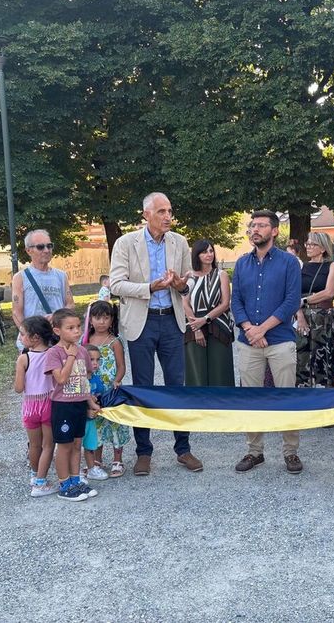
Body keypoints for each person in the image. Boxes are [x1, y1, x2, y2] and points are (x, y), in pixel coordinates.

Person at [109, 192, 202, 476]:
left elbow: (187, 285)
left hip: (171, 322)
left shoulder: (180, 242)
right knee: (143, 387)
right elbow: (116, 284)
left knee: (177, 386)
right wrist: (150, 287)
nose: (167, 217)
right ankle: (143, 451)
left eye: (170, 211)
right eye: (161, 211)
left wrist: (179, 284)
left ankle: (183, 449)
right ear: (146, 214)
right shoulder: (126, 243)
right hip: (141, 322)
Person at [231, 210, 303, 474]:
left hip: (280, 340)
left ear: (274, 231)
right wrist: (250, 329)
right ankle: (254, 451)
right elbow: (236, 301)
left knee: (286, 397)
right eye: (252, 226)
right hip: (249, 341)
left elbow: (291, 301)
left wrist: (262, 330)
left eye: (261, 225)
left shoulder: (288, 263)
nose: (254, 230)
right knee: (251, 398)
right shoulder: (241, 264)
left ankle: (291, 452)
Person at [43, 308, 100, 502]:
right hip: (63, 405)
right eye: (70, 328)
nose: (76, 331)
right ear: (57, 330)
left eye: (78, 327)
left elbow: (84, 381)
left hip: (79, 405)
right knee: (65, 446)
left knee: (77, 444)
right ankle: (64, 484)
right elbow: (60, 378)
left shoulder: (83, 350)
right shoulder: (54, 353)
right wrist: (71, 357)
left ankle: (76, 480)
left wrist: (90, 401)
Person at [14, 316, 56, 497]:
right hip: (49, 403)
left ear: (35, 337)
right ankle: (41, 482)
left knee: (35, 445)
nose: (21, 337)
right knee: (48, 445)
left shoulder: (23, 359)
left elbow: (18, 388)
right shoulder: (54, 354)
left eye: (23, 334)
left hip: (30, 406)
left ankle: (34, 475)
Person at [11, 229, 74, 350]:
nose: (46, 250)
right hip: (34, 341)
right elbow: (16, 312)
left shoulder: (61, 276)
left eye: (49, 246)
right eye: (40, 247)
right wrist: (28, 335)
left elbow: (70, 304)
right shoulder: (20, 277)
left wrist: (56, 316)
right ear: (29, 250)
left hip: (58, 338)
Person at [183, 239, 235, 387]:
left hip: (218, 325)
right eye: (205, 252)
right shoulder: (190, 276)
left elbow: (225, 304)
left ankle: (223, 406)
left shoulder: (221, 275)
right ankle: (196, 406)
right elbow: (184, 303)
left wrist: (205, 319)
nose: (209, 254)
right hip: (193, 326)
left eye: (211, 251)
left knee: (220, 371)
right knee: (196, 373)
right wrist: (197, 327)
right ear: (197, 255)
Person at [86, 300, 129, 477]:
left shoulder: (114, 342)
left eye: (106, 317)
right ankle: (97, 459)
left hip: (111, 391)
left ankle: (117, 459)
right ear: (90, 320)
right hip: (94, 393)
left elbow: (121, 366)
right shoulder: (85, 341)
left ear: (112, 320)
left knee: (115, 425)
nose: (102, 321)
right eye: (97, 318)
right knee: (96, 425)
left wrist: (117, 381)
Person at [295, 232, 334, 388]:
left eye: (312, 244)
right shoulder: (301, 266)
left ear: (322, 248)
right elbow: (292, 294)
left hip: (324, 319)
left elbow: (329, 292)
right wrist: (299, 315)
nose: (308, 246)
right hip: (303, 319)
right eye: (307, 243)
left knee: (325, 360)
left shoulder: (332, 266)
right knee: (302, 359)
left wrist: (305, 300)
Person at [81, 345, 109, 482]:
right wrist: (86, 411)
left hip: (91, 421)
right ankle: (75, 472)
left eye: (98, 360)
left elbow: (100, 397)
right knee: (74, 448)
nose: (95, 363)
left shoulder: (97, 380)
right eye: (91, 359)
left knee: (90, 445)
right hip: (78, 419)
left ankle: (92, 469)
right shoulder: (77, 379)